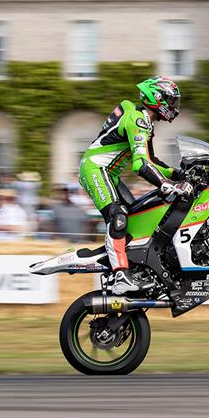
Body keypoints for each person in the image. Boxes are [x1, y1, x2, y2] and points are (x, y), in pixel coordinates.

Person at [79, 76, 191, 294]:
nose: (174, 107)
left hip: (109, 174)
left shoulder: (144, 121)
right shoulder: (138, 119)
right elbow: (140, 165)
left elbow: (151, 160)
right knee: (118, 216)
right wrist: (168, 184)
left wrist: (178, 173)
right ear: (156, 98)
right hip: (95, 169)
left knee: (138, 215)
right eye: (171, 101)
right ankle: (120, 274)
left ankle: (136, 267)